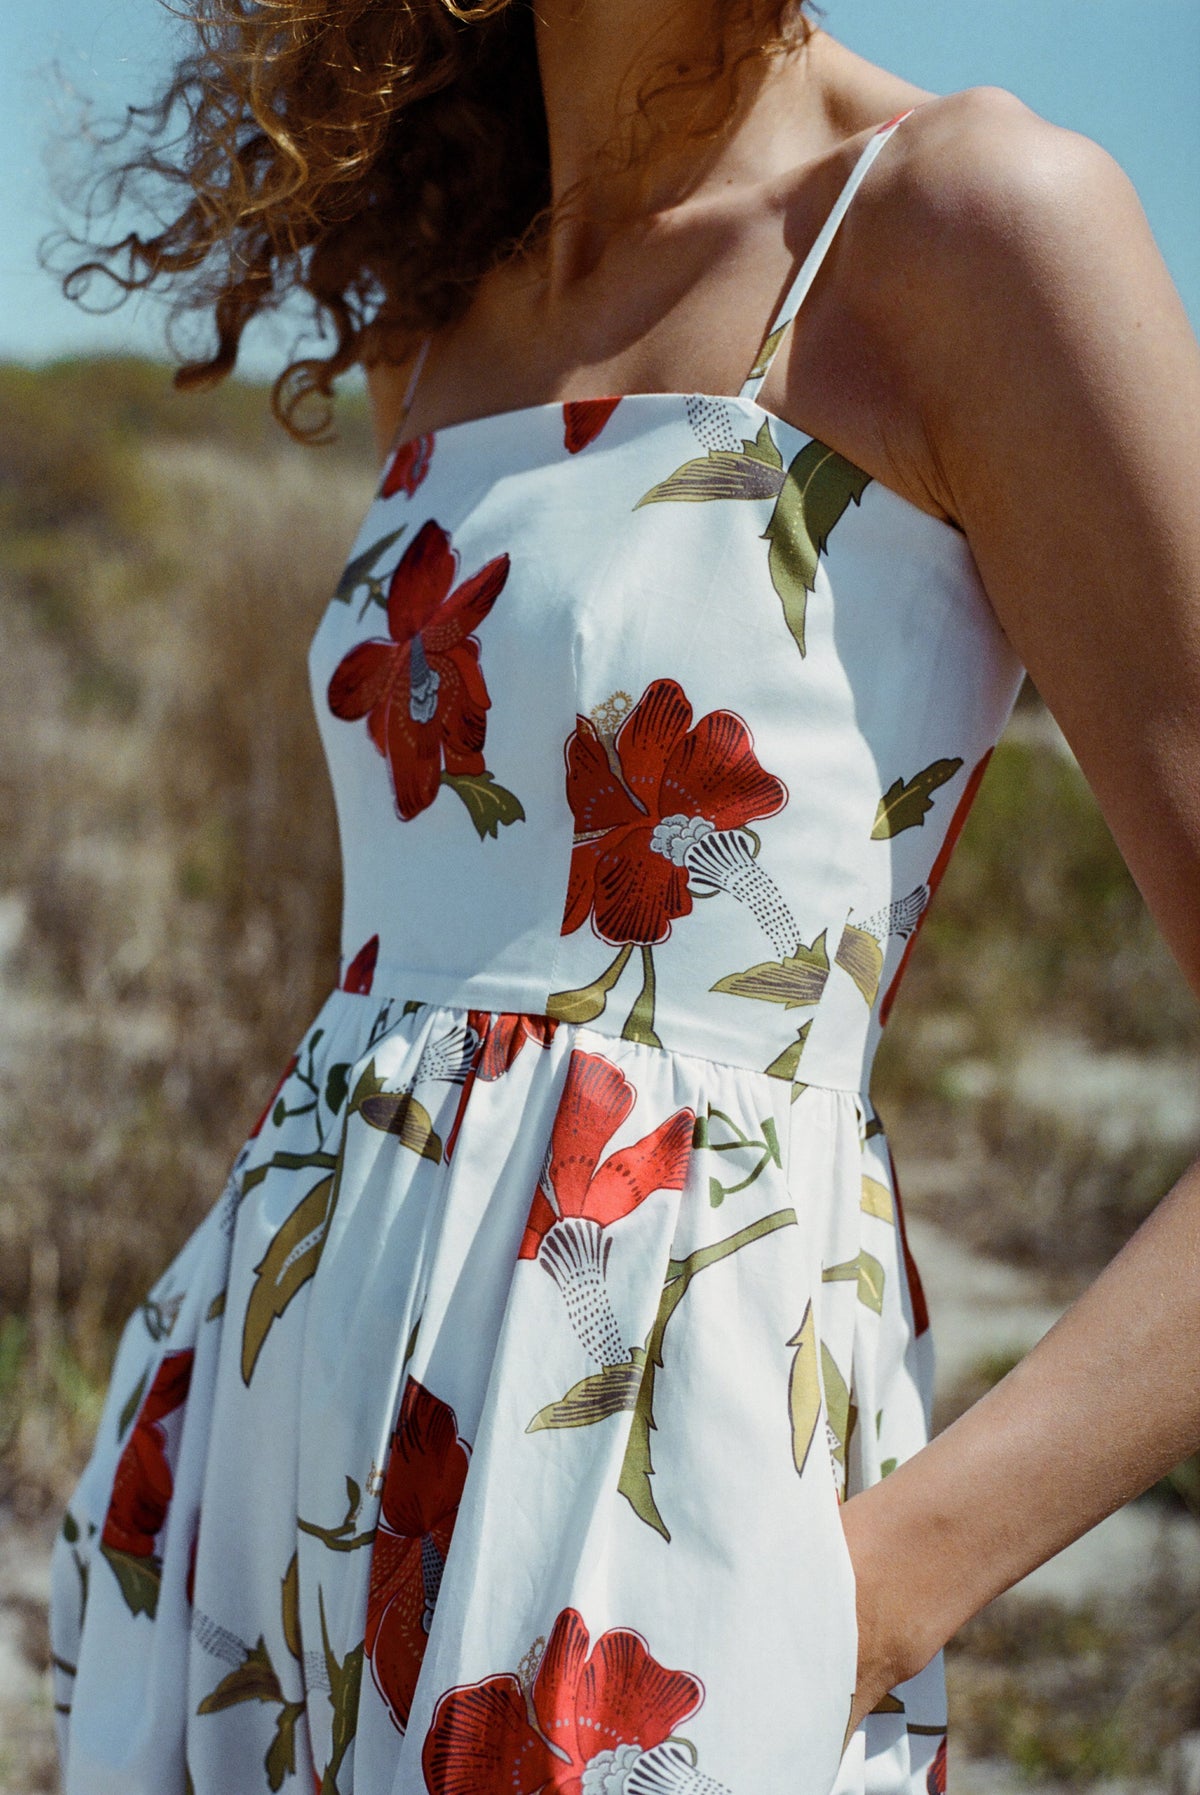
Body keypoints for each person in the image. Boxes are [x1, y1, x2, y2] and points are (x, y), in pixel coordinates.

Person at [47, 1, 1200, 1792]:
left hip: (647, 1527)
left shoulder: (970, 227)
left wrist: (872, 1591)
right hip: (293, 1450)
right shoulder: (443, 311)